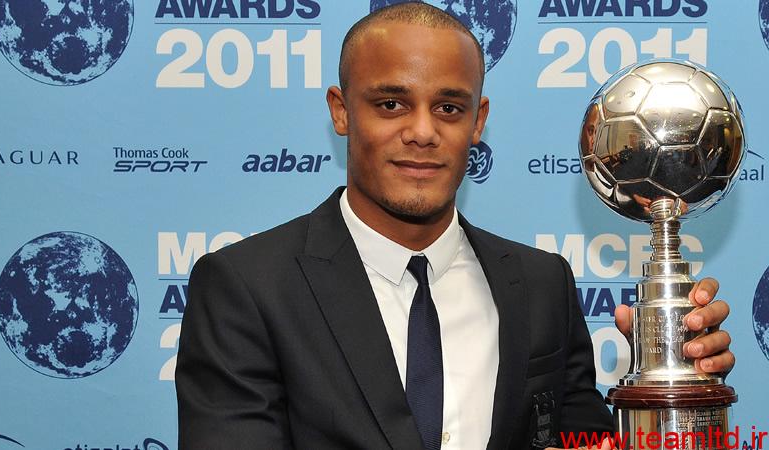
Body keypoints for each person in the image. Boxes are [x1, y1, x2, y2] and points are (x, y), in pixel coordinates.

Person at [175, 3, 734, 449]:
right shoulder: (247, 287)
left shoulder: (543, 285)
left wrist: (668, 384)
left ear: (478, 120)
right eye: (391, 104)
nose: (422, 132)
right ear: (341, 111)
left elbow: (583, 441)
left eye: (448, 108)